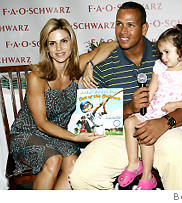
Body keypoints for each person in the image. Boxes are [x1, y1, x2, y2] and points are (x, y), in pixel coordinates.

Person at [69, 1, 182, 190]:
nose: (123, 31)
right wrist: (128, 109)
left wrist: (165, 122)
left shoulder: (166, 54)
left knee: (178, 154)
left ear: (144, 28)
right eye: (119, 24)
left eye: (131, 25)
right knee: (81, 176)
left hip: (164, 128)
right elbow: (90, 120)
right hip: (121, 134)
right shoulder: (104, 64)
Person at [9, 18, 115, 190]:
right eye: (52, 43)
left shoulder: (77, 67)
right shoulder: (37, 77)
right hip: (27, 133)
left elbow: (112, 45)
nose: (59, 48)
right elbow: (41, 123)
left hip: (57, 135)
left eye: (64, 41)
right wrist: (74, 137)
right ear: (46, 48)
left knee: (73, 163)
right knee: (54, 159)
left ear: (72, 43)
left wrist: (91, 64)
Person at [118, 24, 182, 190]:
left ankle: (147, 176)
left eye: (167, 52)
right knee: (129, 123)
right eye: (161, 52)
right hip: (154, 110)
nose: (163, 57)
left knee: (145, 133)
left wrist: (177, 104)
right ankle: (134, 163)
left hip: (171, 116)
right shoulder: (159, 68)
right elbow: (151, 91)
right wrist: (140, 103)